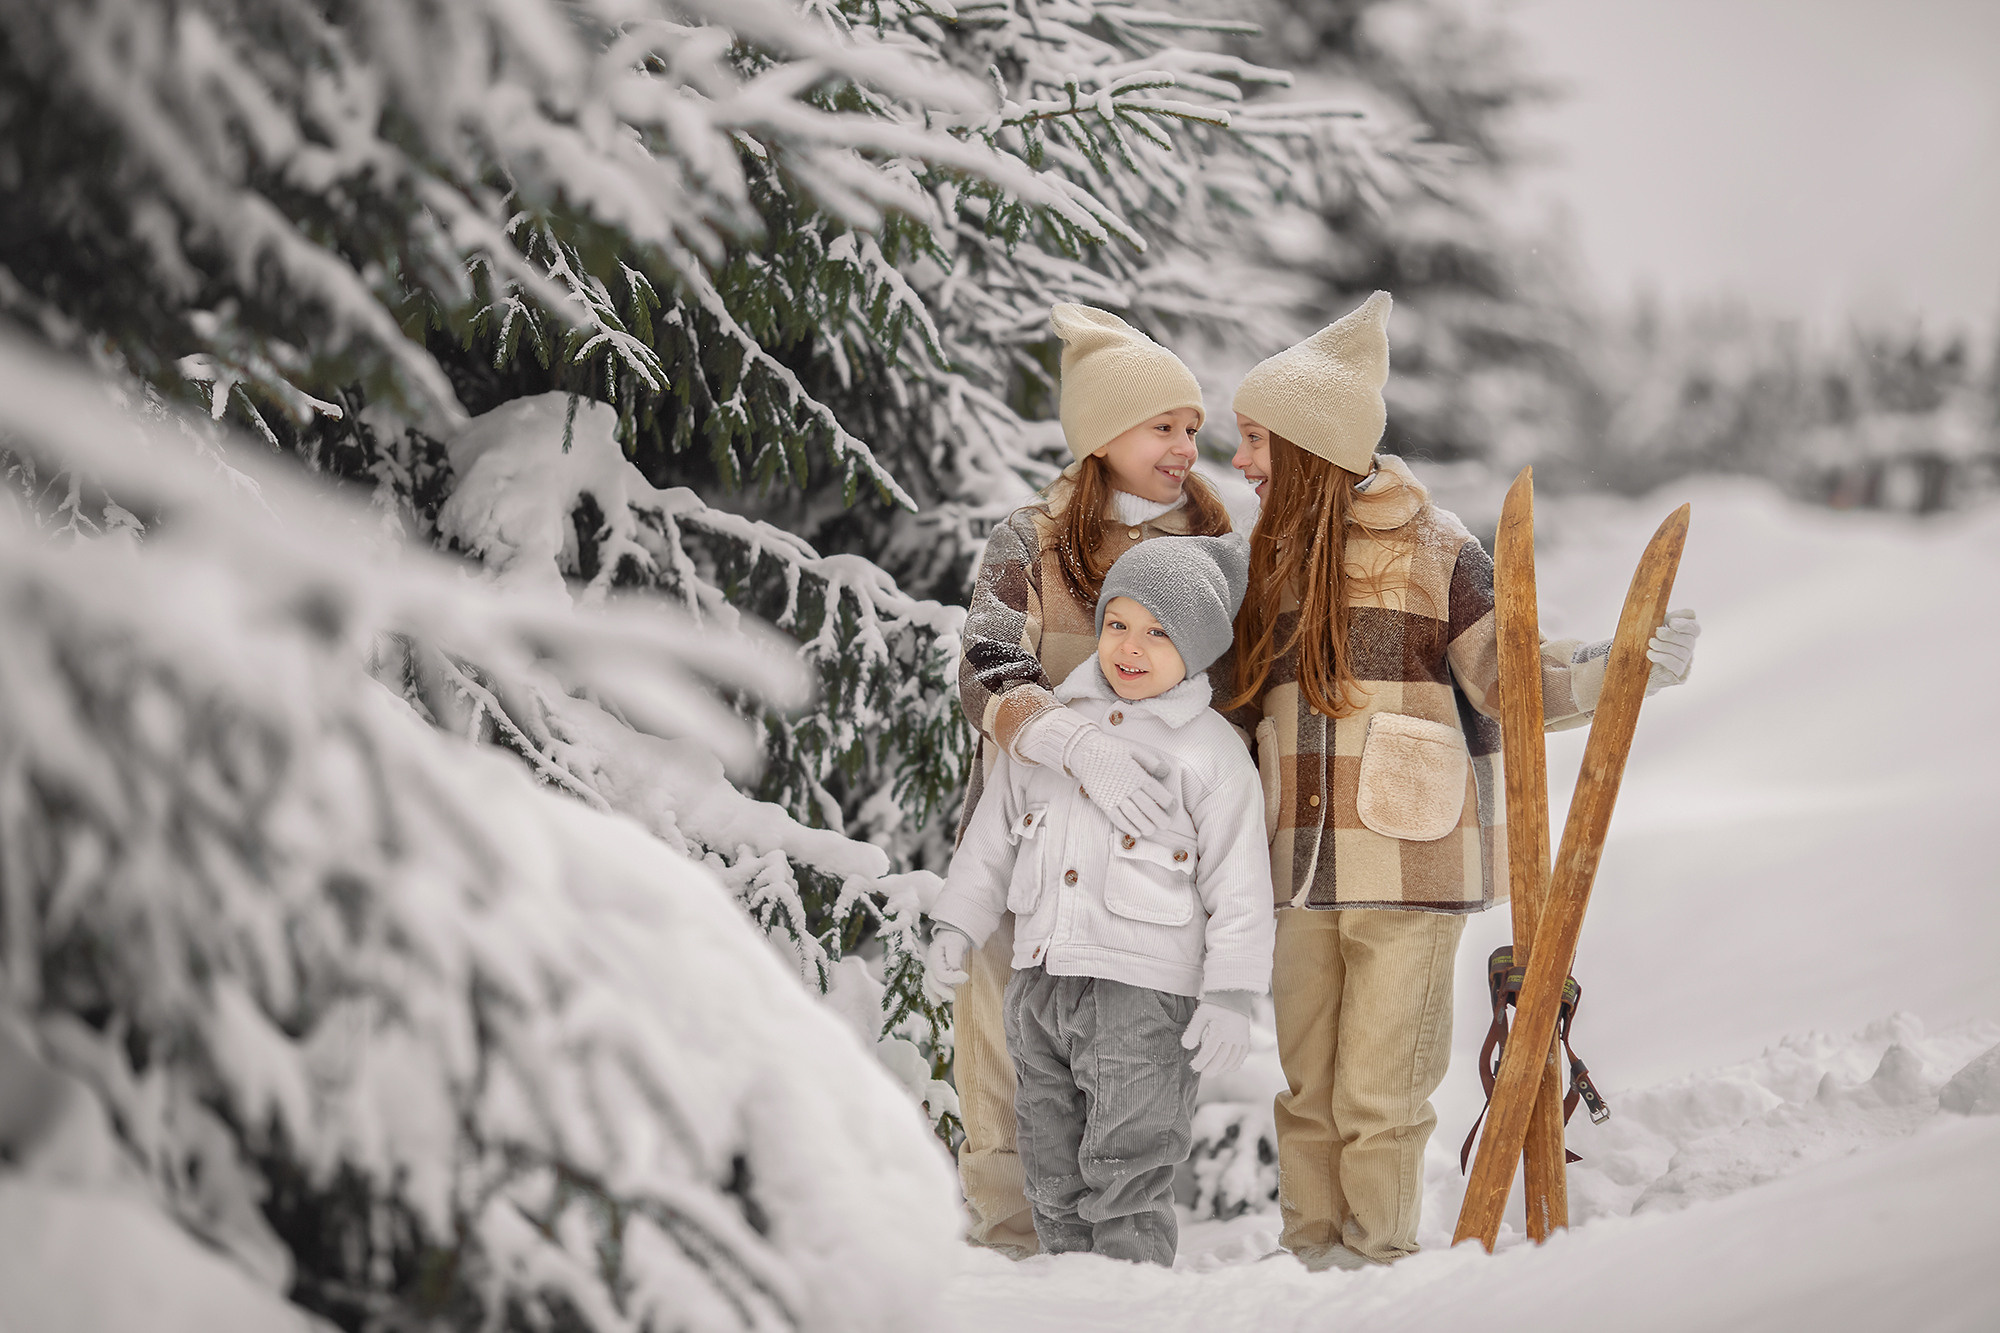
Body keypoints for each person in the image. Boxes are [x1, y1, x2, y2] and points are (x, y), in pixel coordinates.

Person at [1224, 291, 1701, 1272]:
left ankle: (1377, 1269)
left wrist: (1622, 665)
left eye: (1254, 441)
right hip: (1294, 868)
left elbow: (1510, 678)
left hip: (1408, 860)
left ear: (1309, 447)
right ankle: (1306, 1267)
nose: (1238, 462)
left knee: (1377, 1090)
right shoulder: (1260, 561)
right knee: (1304, 1087)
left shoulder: (1437, 549)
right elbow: (1221, 714)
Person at [944, 303, 1237, 1256]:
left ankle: (1115, 1280)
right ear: (1103, 433)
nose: (1187, 444)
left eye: (1194, 426)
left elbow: (1250, 690)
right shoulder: (1030, 540)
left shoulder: (1214, 548)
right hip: (1024, 848)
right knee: (1003, 1073)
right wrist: (1072, 743)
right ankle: (1009, 1263)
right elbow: (984, 664)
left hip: (1146, 881)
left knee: (1123, 1094)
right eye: (1165, 425)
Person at [926, 534, 1273, 1265]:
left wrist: (1234, 991)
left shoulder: (1209, 753)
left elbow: (1240, 882)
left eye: (1158, 632)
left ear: (1199, 650)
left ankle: (1130, 1300)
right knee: (1050, 1165)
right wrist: (956, 925)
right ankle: (1072, 1299)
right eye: (1118, 622)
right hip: (1041, 985)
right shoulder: (1056, 731)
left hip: (1143, 1000)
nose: (1131, 646)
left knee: (1128, 1166)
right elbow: (990, 840)